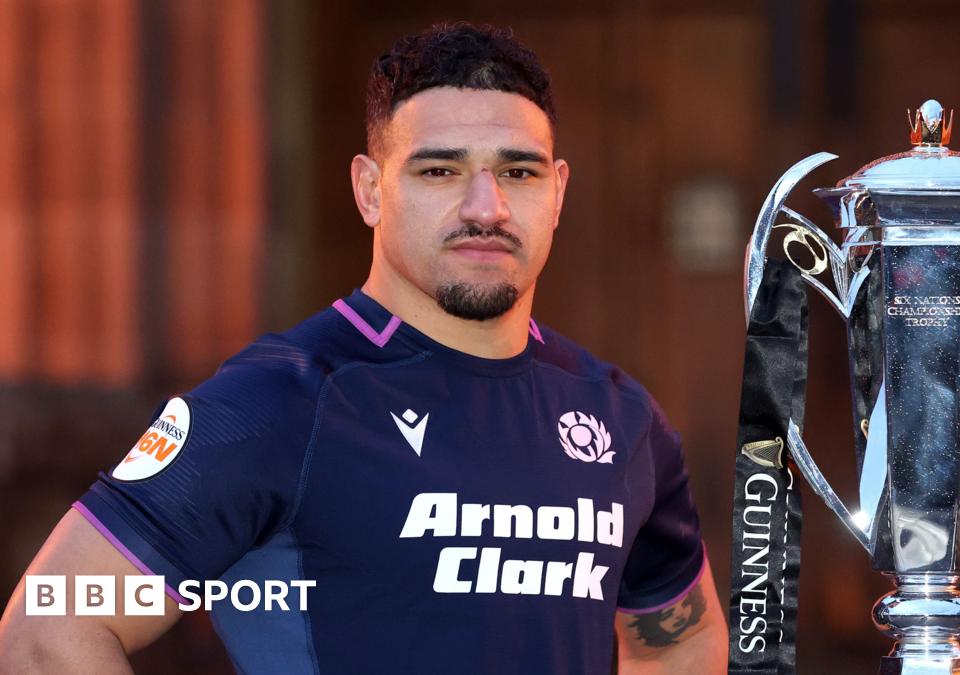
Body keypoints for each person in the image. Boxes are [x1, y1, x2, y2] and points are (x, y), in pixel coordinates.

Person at [0, 23, 726, 674]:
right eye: (439, 170)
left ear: (558, 191)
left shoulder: (621, 417)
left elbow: (679, 638)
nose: (487, 207)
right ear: (370, 189)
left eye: (518, 171)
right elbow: (51, 621)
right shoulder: (277, 402)